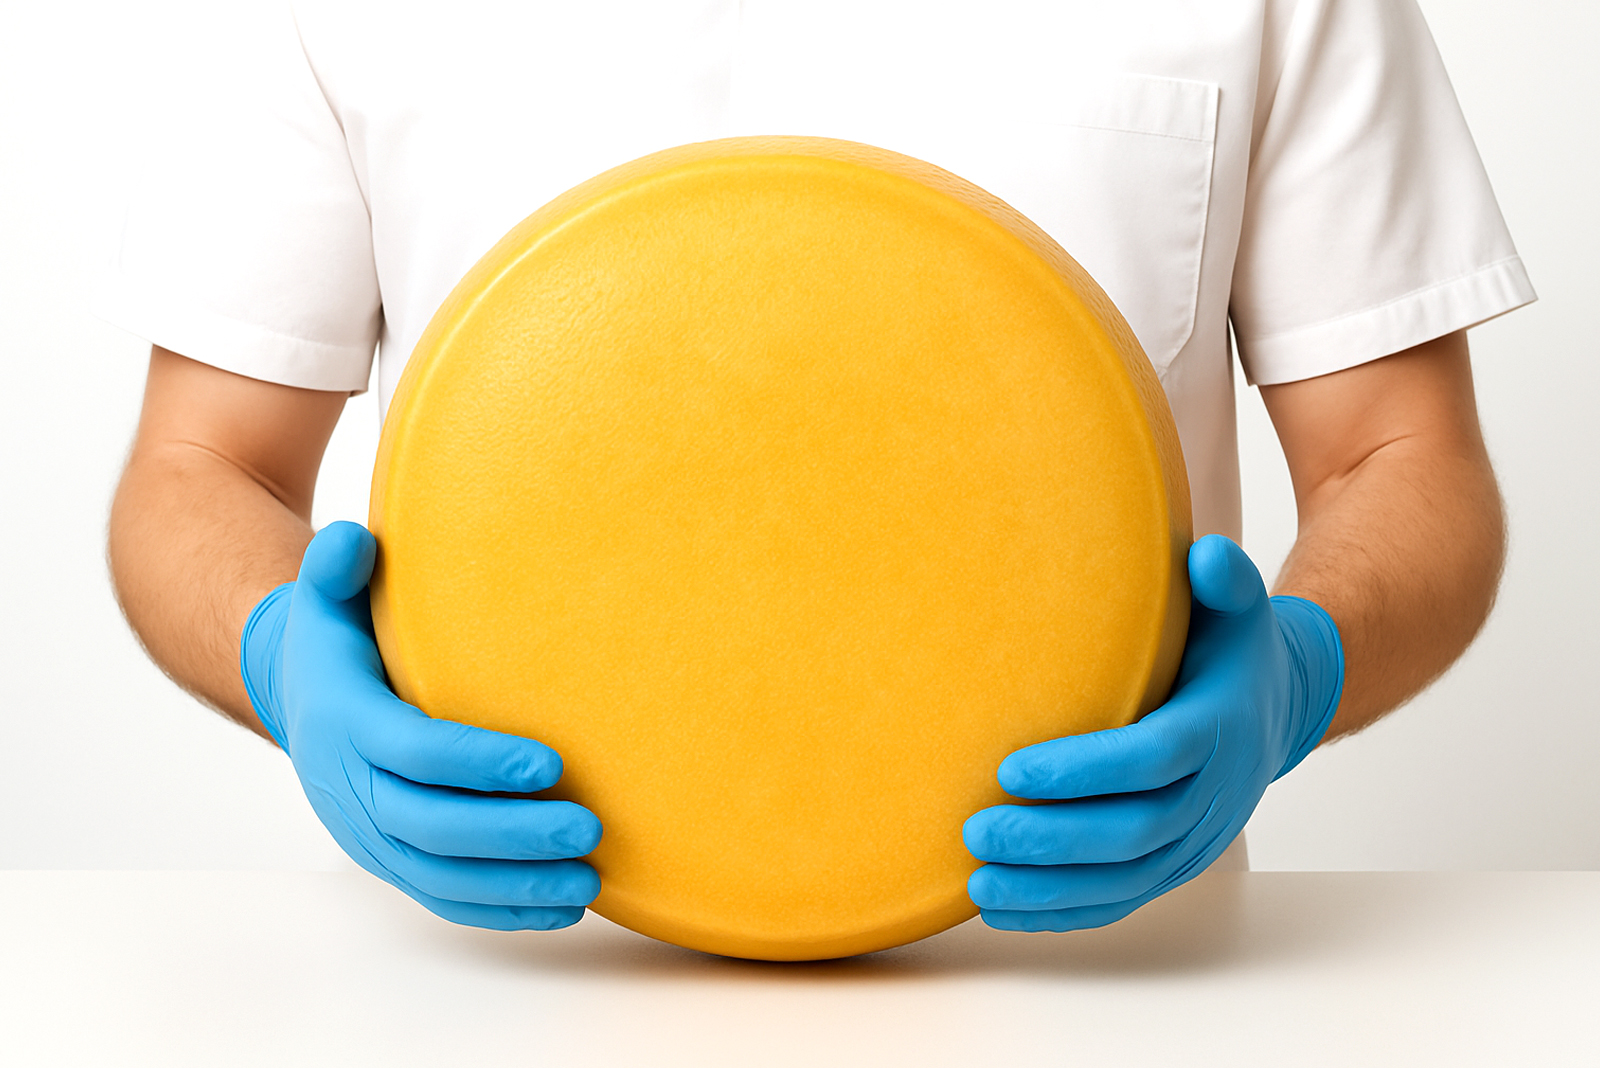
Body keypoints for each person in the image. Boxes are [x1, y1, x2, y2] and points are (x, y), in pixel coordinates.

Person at [97, 0, 1530, 934]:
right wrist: (287, 658)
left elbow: (1400, 457)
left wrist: (1299, 675)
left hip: (1097, 981)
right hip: (504, 972)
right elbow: (199, 467)